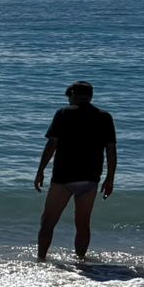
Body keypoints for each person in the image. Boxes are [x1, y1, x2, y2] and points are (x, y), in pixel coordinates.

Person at [34, 81, 118, 259]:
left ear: (72, 94)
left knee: (48, 222)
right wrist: (110, 178)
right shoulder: (105, 117)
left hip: (63, 178)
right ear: (90, 96)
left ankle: (41, 259)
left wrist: (40, 170)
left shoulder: (63, 113)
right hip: (90, 178)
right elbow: (111, 150)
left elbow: (52, 144)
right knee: (82, 224)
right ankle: (81, 262)